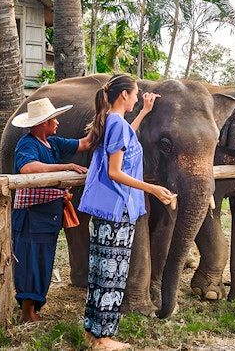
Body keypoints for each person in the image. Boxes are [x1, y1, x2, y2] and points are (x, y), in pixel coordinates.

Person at [78, 74, 175, 351]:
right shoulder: (116, 124)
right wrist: (152, 189)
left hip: (106, 209)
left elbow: (125, 141)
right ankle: (104, 339)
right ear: (123, 96)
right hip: (117, 209)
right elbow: (115, 171)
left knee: (100, 273)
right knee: (112, 274)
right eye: (135, 95)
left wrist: (144, 111)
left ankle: (92, 332)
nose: (136, 98)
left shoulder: (112, 121)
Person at [10, 97, 91, 323]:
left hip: (48, 216)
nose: (57, 123)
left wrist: (105, 118)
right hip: (31, 216)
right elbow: (27, 168)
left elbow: (84, 144)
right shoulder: (27, 144)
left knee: (44, 260)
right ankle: (27, 312)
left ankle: (34, 308)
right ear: (43, 123)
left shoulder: (53, 143)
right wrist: (65, 167)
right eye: (54, 119)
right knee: (30, 260)